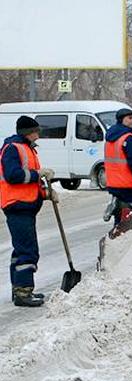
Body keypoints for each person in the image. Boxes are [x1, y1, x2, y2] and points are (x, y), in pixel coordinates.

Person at [0, 116, 58, 307]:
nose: (38, 134)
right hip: (17, 205)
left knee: (20, 250)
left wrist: (46, 193)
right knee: (28, 251)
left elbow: (30, 183)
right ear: (27, 132)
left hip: (25, 204)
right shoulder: (13, 149)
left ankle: (19, 290)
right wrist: (37, 174)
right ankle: (24, 292)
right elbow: (14, 176)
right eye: (35, 131)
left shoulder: (27, 148)